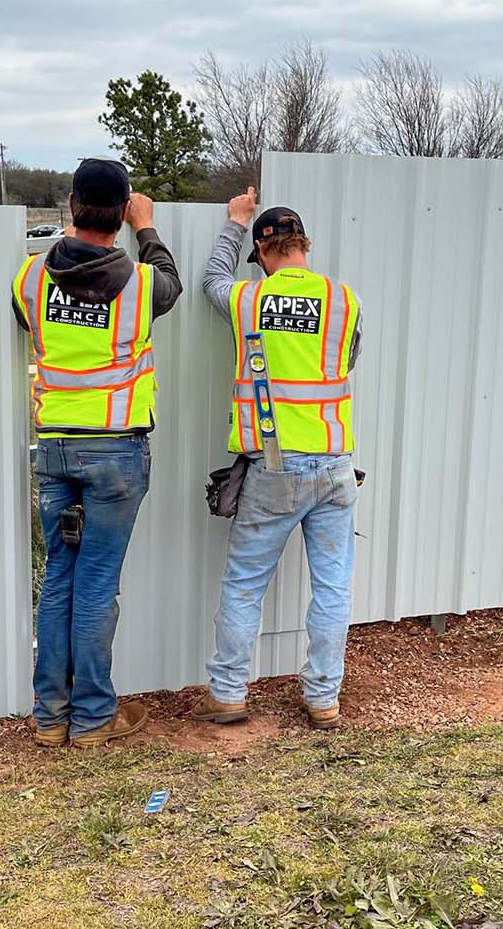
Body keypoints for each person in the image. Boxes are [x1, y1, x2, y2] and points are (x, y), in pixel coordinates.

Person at [11, 158, 182, 748]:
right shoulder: (141, 284)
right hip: (116, 452)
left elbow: (27, 315)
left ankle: (50, 716)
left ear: (71, 202)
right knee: (97, 581)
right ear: (122, 211)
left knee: (60, 575)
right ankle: (91, 719)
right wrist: (148, 227)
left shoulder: (30, 279)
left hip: (56, 449)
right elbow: (171, 280)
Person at [190, 187, 362, 729]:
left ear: (264, 254)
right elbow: (347, 358)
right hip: (335, 466)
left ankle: (229, 694)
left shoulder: (249, 300)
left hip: (274, 468)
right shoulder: (344, 300)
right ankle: (324, 699)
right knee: (333, 587)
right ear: (303, 246)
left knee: (244, 584)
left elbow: (210, 283)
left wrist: (234, 223)